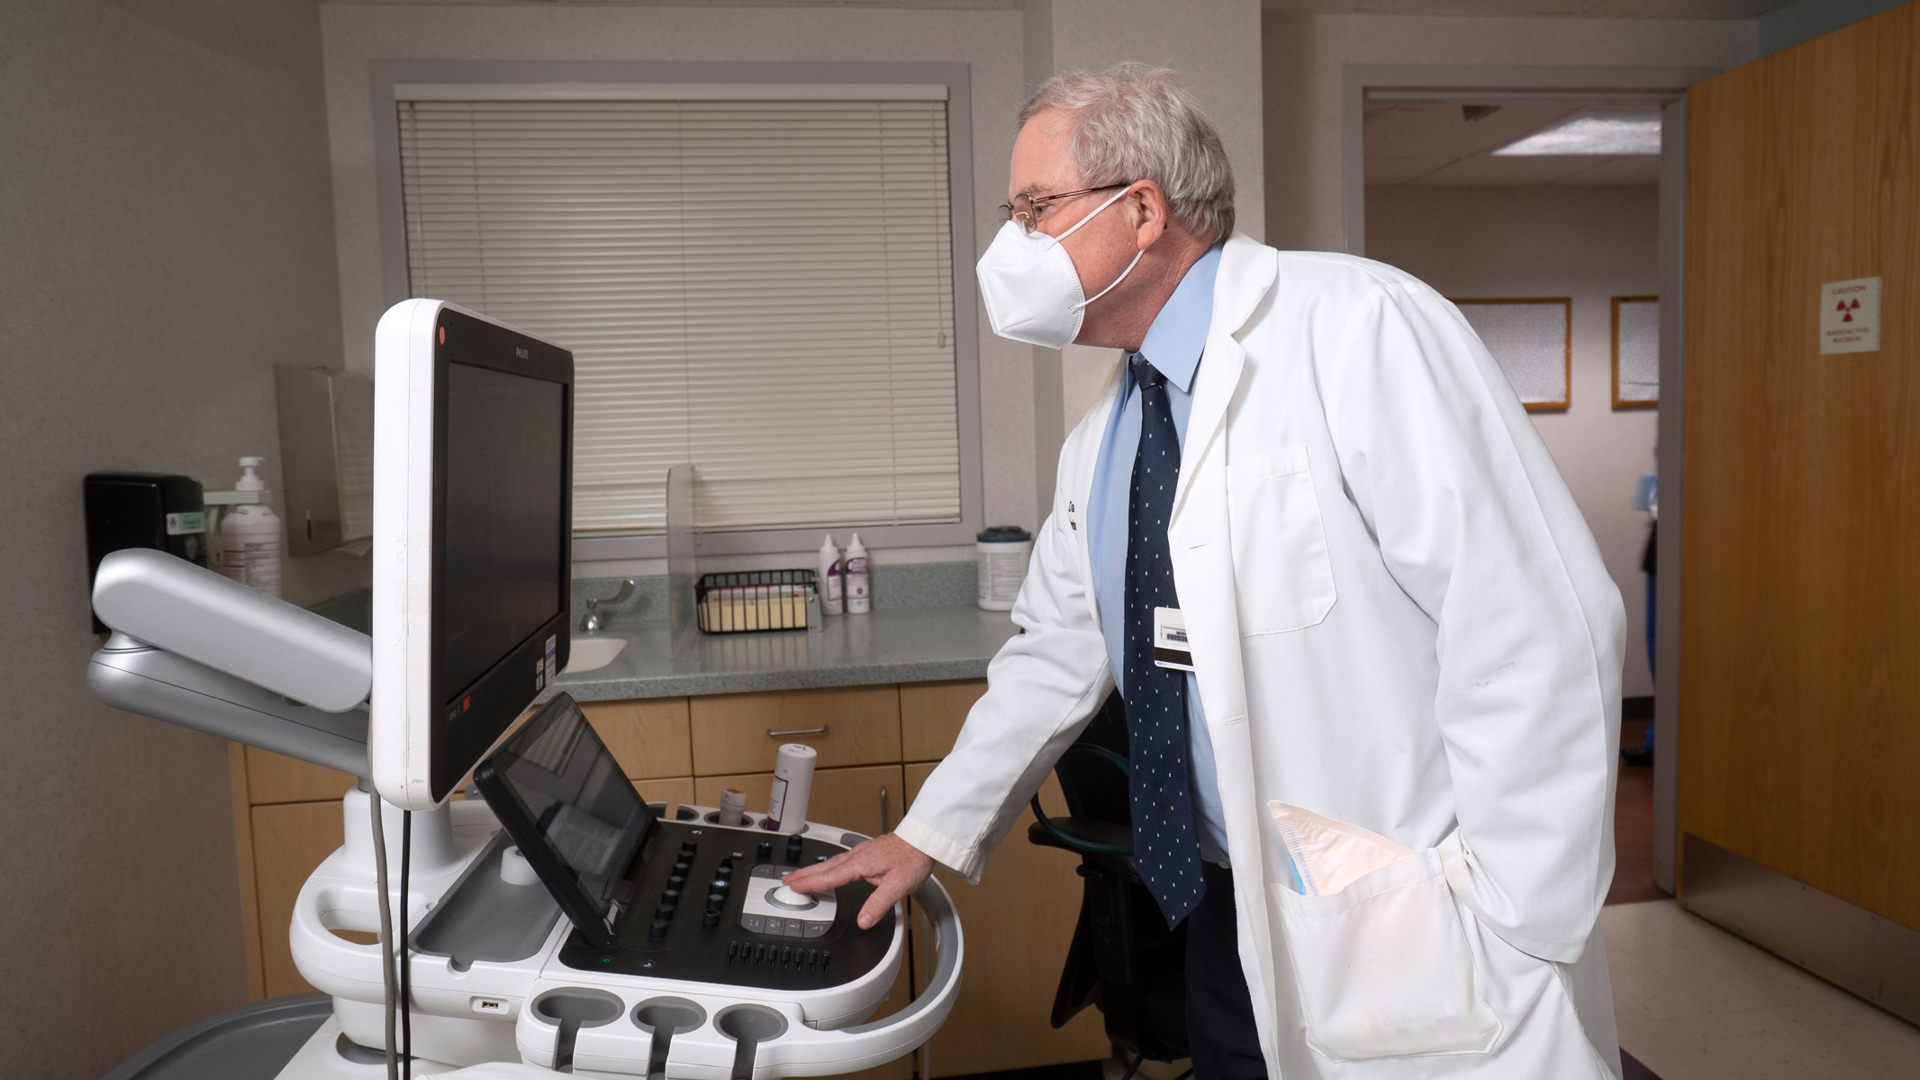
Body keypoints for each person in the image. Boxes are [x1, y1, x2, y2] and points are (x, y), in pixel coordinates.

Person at [783, 63, 1626, 1079]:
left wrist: (1517, 919)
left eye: (1034, 209)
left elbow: (1541, 626)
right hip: (1229, 910)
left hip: (1413, 911)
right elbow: (1055, 653)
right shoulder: (1112, 427)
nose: (1011, 247)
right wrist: (927, 834)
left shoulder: (1357, 329)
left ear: (1141, 210)